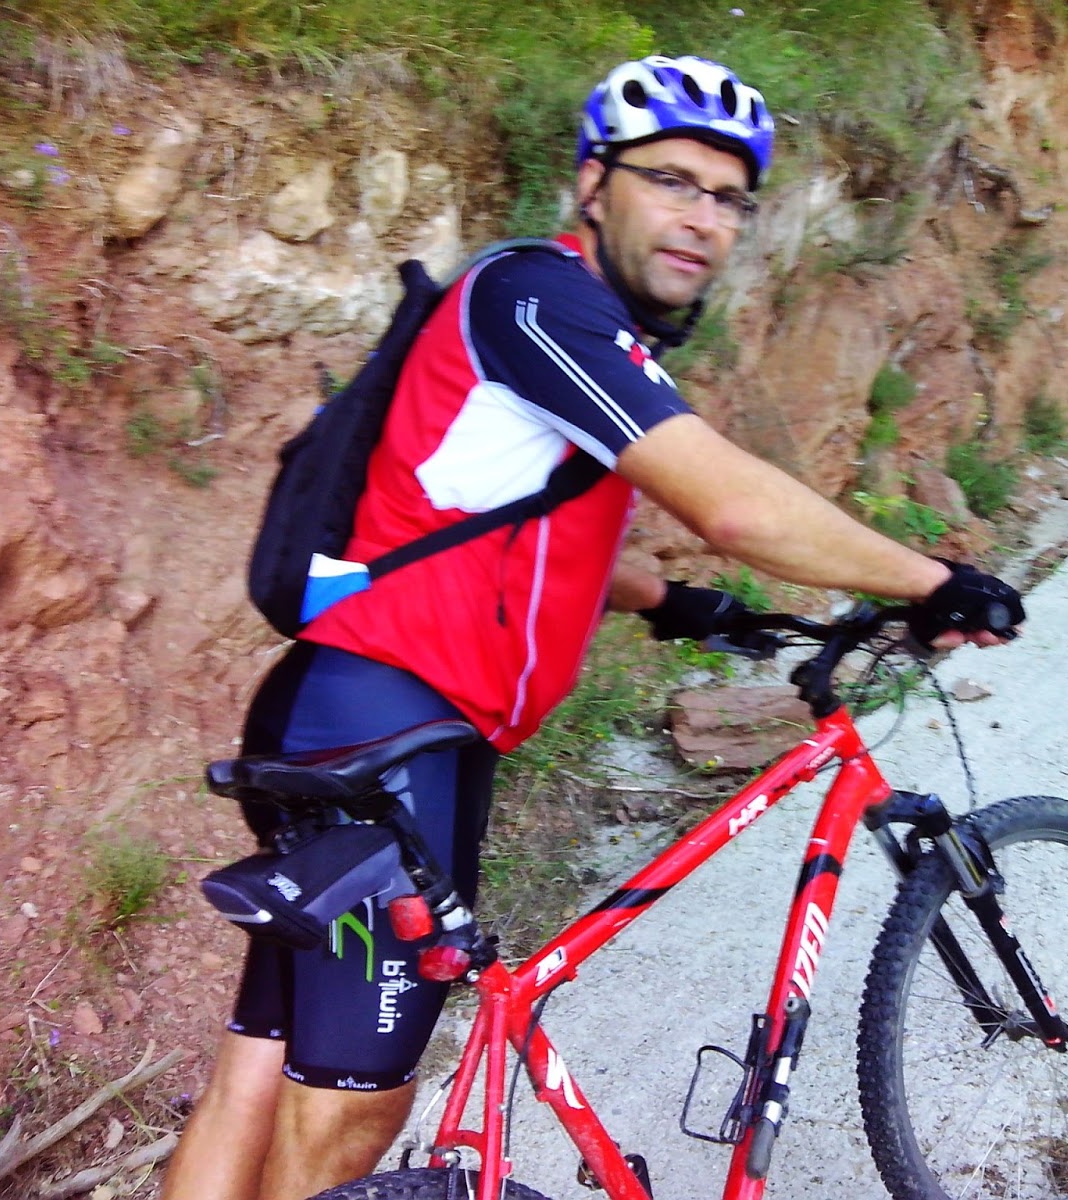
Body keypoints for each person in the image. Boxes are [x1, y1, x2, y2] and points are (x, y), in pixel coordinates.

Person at [161, 54, 1024, 1200]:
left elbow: (485, 531)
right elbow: (731, 504)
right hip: (385, 736)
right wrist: (933, 580)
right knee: (347, 1112)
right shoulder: (539, 300)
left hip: (348, 715)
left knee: (257, 1078)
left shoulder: (558, 324)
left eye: (728, 198)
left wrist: (672, 602)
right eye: (671, 180)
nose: (701, 216)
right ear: (591, 186)